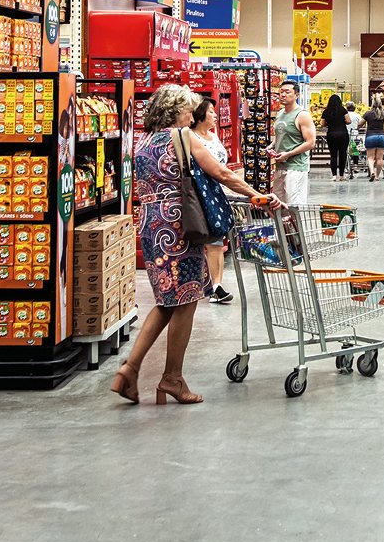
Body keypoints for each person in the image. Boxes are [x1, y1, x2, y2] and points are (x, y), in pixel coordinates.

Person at [113, 84, 278, 405]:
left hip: (150, 223)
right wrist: (255, 194)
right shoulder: (184, 138)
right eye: (188, 109)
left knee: (166, 301)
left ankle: (129, 369)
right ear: (176, 110)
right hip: (180, 226)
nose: (193, 114)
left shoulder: (143, 142)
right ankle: (172, 378)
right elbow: (220, 173)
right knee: (186, 300)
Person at [190, 97, 233, 305]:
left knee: (217, 240)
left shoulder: (213, 136)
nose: (215, 116)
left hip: (216, 193)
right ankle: (208, 285)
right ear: (199, 115)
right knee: (207, 242)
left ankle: (216, 285)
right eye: (211, 112)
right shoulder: (190, 138)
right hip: (200, 195)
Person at [269, 80, 315, 204]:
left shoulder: (302, 115)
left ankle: (296, 224)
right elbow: (280, 135)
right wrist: (272, 145)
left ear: (296, 95)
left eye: (287, 92)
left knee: (294, 205)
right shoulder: (279, 114)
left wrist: (288, 154)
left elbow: (310, 143)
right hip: (280, 166)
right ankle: (283, 225)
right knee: (278, 204)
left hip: (296, 167)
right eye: (281, 92)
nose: (283, 95)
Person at [320, 94, 350, 182]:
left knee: (333, 155)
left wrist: (329, 123)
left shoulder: (326, 111)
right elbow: (348, 121)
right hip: (343, 134)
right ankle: (342, 176)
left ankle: (334, 176)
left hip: (331, 134)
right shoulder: (343, 110)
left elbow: (322, 124)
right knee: (342, 154)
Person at [361, 97, 384, 181]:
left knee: (370, 158)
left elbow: (360, 124)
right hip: (382, 136)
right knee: (379, 158)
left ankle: (372, 171)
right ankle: (377, 176)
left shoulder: (368, 113)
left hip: (370, 136)